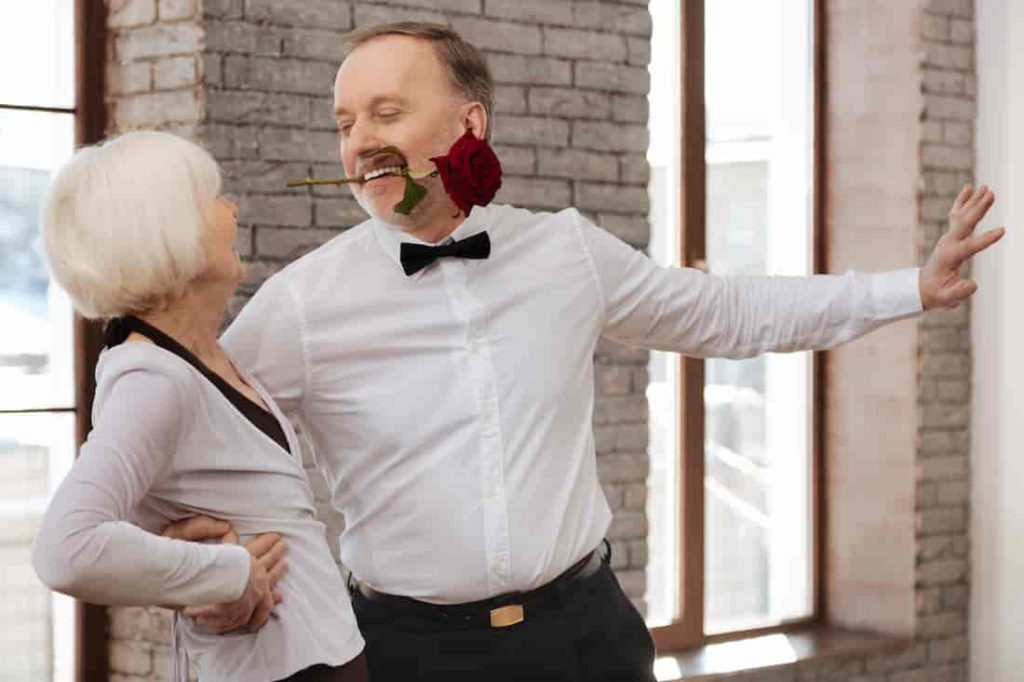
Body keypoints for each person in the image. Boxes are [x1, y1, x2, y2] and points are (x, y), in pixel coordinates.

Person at [175, 22, 1005, 682]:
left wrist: (910, 287)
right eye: (345, 123)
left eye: (386, 113)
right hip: (408, 654)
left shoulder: (565, 252)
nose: (360, 142)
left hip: (587, 638)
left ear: (469, 124)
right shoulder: (303, 303)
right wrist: (205, 564)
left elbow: (728, 314)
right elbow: (187, 436)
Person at [30, 131, 368, 682]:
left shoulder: (198, 357)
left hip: (319, 653)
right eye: (213, 198)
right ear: (167, 230)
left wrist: (181, 559)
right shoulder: (153, 380)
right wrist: (227, 574)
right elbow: (64, 549)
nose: (231, 209)